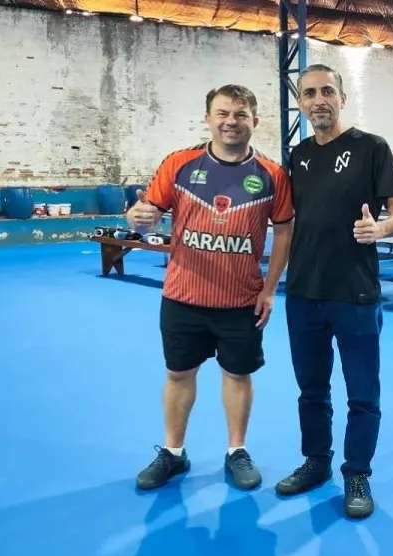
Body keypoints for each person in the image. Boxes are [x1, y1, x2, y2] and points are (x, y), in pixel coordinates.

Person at [126, 84, 294, 492]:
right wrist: (137, 218)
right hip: (183, 297)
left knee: (238, 375)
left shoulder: (273, 175)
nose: (231, 122)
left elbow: (285, 230)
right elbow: (146, 213)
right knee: (178, 374)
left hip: (241, 301)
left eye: (240, 114)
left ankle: (237, 450)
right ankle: (173, 452)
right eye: (222, 113)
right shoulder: (180, 164)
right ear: (208, 118)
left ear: (255, 120)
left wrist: (270, 288)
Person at [274, 64, 393, 519]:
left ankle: (357, 474)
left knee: (362, 394)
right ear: (300, 103)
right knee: (311, 390)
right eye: (310, 93)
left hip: (355, 294)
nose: (320, 100)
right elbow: (287, 221)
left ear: (342, 97)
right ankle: (316, 462)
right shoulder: (297, 156)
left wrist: (381, 229)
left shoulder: (372, 148)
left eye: (327, 91)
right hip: (303, 293)